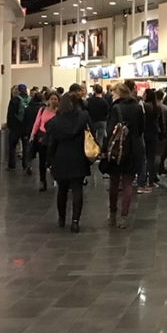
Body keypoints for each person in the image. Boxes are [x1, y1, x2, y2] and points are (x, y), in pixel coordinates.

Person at [45, 93, 92, 232]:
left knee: (62, 190)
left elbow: (51, 143)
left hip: (61, 158)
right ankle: (75, 221)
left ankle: (61, 218)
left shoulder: (55, 121)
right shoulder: (83, 117)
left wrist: (49, 162)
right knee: (77, 189)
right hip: (78, 156)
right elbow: (92, 133)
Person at [106, 82, 145, 228]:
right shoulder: (137, 107)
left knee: (114, 182)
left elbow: (110, 131)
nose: (112, 96)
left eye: (113, 93)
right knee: (128, 183)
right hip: (133, 148)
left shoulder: (115, 108)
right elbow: (141, 129)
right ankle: (124, 215)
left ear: (119, 94)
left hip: (118, 149)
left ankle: (112, 214)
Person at [30, 92, 59, 191]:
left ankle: (54, 176)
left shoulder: (59, 112)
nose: (53, 101)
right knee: (42, 160)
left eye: (55, 99)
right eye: (52, 99)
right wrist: (32, 134)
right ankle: (43, 180)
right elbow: (37, 123)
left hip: (54, 137)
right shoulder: (42, 110)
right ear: (48, 100)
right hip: (43, 137)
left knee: (54, 158)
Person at [140, 88, 161, 191]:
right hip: (154, 135)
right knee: (151, 158)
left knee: (144, 158)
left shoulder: (143, 107)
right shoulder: (157, 107)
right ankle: (151, 181)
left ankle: (142, 180)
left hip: (144, 134)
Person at [5, 84, 30, 171]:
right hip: (26, 127)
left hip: (16, 127)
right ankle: (25, 164)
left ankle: (12, 164)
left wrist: (9, 125)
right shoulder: (30, 100)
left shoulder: (14, 100)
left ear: (18, 90)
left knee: (12, 146)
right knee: (26, 146)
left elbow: (10, 114)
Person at [22, 91, 44, 178]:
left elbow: (24, 120)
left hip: (29, 131)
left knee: (29, 149)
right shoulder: (43, 109)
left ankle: (28, 163)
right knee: (42, 152)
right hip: (40, 133)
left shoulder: (28, 108)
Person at [87, 84, 111, 149]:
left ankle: (93, 150)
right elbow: (107, 112)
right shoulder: (105, 101)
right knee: (100, 138)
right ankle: (99, 151)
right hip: (102, 121)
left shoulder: (89, 100)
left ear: (94, 91)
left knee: (93, 137)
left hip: (93, 121)